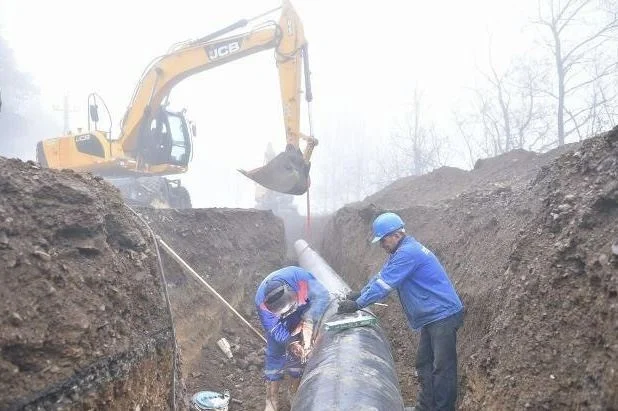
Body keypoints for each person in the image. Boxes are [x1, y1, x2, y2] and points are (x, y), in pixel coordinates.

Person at [337, 212, 464, 411]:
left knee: (442, 368)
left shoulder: (408, 253)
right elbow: (381, 277)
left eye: (383, 240)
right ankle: (425, 407)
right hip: (434, 316)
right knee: (424, 363)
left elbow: (384, 285)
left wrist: (358, 304)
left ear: (396, 235)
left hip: (443, 315)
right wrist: (360, 294)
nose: (382, 245)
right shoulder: (401, 252)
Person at [256, 266, 330, 411]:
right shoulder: (262, 303)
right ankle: (271, 400)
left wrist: (309, 318)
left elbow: (323, 296)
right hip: (281, 322)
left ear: (292, 293)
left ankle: (294, 391)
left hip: (303, 310)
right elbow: (274, 329)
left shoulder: (302, 278)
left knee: (299, 355)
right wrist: (291, 342)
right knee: (276, 352)